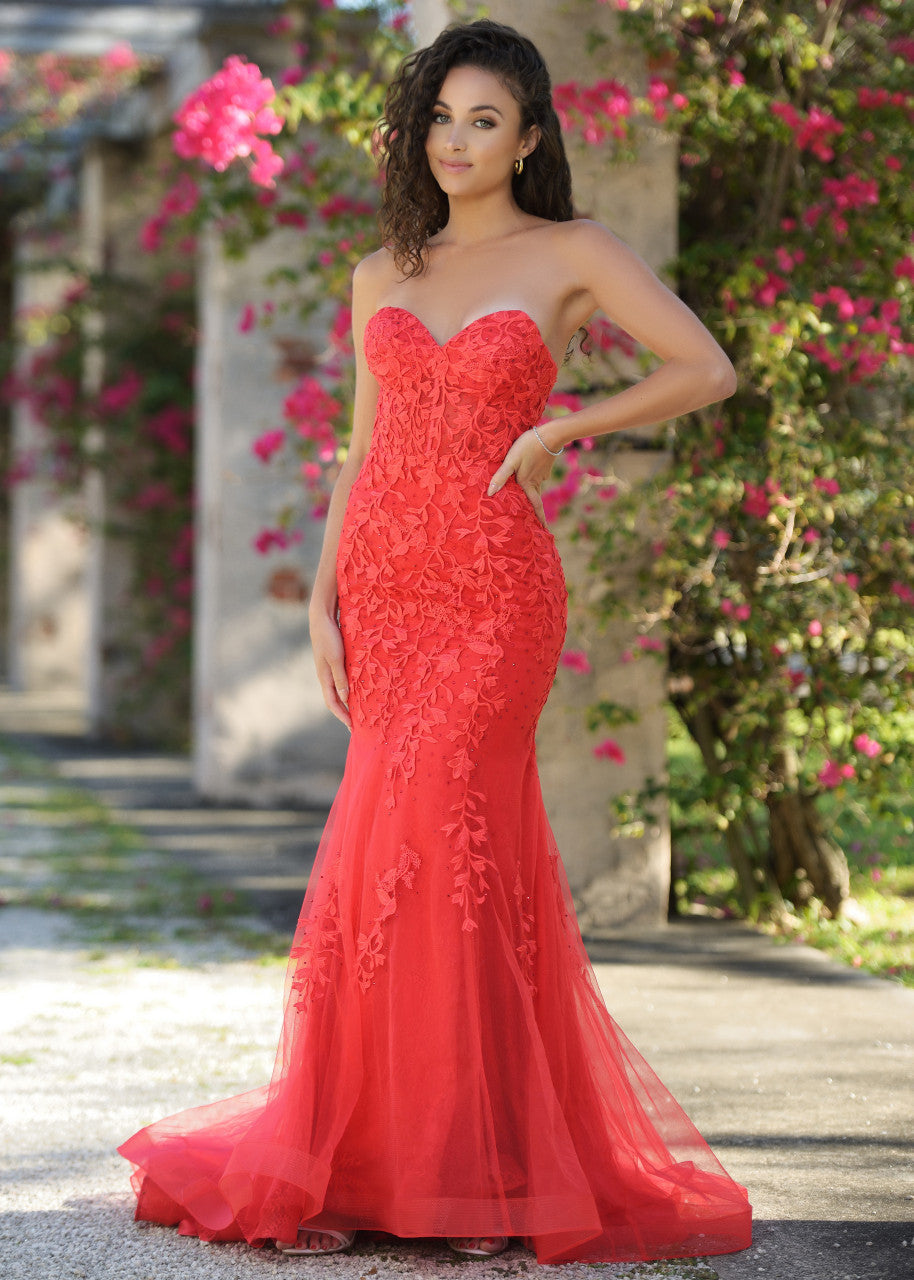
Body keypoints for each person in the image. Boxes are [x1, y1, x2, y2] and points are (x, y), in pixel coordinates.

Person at [119, 18, 752, 1264]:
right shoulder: (379, 273)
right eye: (439, 117)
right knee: (381, 860)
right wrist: (318, 596)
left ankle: (473, 1174)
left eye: (483, 120)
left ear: (526, 138)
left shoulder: (571, 251)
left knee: (444, 836)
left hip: (495, 590)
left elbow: (704, 366)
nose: (454, 139)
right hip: (388, 595)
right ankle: (377, 1163)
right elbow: (360, 451)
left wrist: (556, 431)